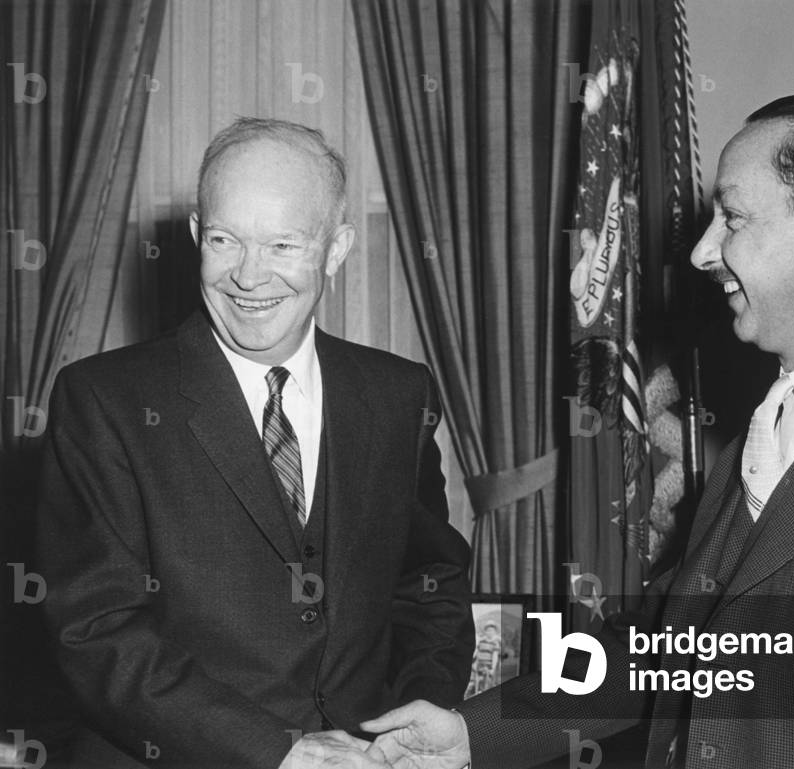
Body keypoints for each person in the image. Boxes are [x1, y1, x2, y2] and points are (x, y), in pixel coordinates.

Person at [350, 93, 794, 768]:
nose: (703, 252)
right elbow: (666, 649)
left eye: (730, 218)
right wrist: (472, 735)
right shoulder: (759, 436)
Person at [34, 118, 474, 769]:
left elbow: (429, 581)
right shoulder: (103, 401)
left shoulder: (398, 393)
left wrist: (407, 725)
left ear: (336, 247)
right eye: (224, 240)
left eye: (283, 245)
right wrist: (278, 751)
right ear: (194, 237)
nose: (248, 275)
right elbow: (96, 632)